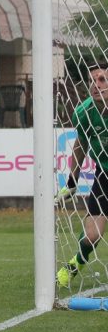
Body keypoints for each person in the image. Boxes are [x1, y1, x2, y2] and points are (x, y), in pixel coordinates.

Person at [56, 63, 108, 288]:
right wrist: (71, 181)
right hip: (105, 174)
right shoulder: (83, 112)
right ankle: (74, 265)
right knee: (92, 235)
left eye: (102, 80)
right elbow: (81, 145)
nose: (95, 86)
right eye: (92, 81)